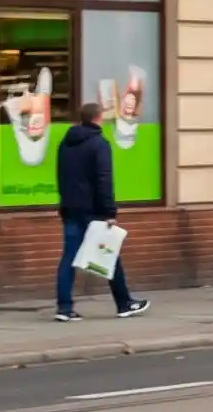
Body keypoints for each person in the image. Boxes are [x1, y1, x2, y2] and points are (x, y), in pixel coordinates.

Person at [54, 102, 147, 323]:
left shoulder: (65, 143)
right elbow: (104, 179)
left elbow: (61, 176)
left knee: (68, 257)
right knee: (109, 254)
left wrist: (65, 202)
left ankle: (64, 308)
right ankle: (124, 303)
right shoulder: (99, 144)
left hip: (70, 209)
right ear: (98, 118)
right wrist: (109, 211)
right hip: (93, 211)